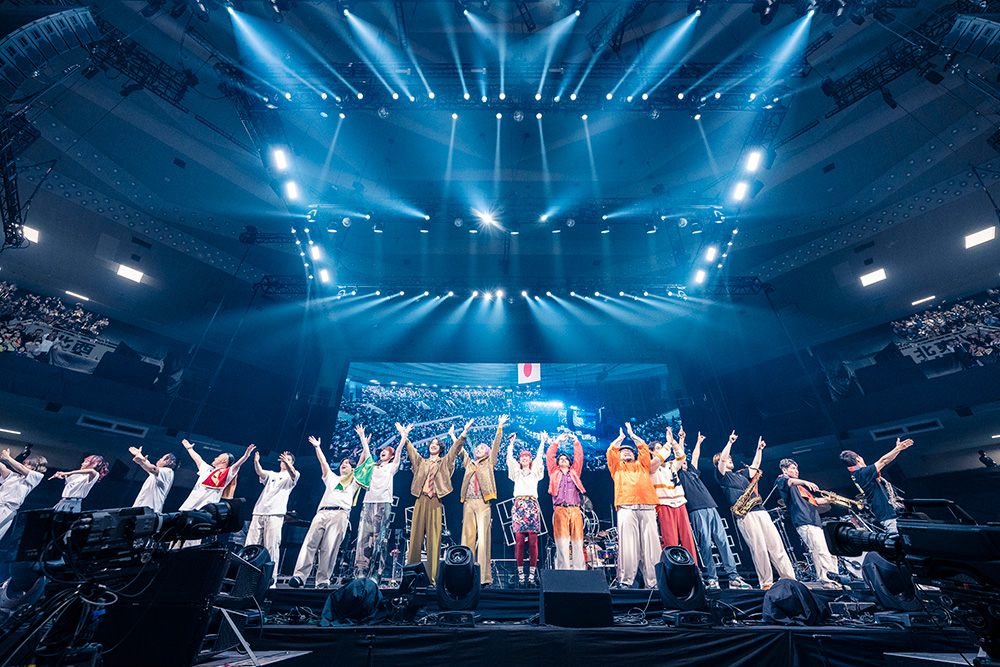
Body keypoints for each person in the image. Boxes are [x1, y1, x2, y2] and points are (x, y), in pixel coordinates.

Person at [714, 432, 795, 590]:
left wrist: (759, 450)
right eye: (728, 458)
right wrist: (729, 443)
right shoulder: (722, 476)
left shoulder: (741, 474)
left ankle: (790, 579)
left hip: (760, 510)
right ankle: (766, 582)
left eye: (731, 458)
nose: (730, 460)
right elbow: (722, 459)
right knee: (759, 549)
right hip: (745, 515)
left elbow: (755, 466)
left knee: (776, 545)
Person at [676, 432, 750, 590]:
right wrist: (681, 439)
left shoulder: (692, 472)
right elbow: (680, 455)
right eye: (682, 461)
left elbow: (695, 457)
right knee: (706, 545)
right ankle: (712, 578)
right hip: (697, 510)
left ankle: (733, 576)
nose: (685, 462)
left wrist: (698, 443)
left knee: (723, 542)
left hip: (711, 507)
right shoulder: (679, 474)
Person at [290, 432, 363, 588]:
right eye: (342, 463)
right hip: (322, 513)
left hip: (340, 514)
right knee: (309, 543)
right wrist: (318, 447)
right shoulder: (331, 477)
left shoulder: (354, 481)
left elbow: (362, 464)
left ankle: (323, 580)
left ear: (353, 468)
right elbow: (323, 463)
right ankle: (299, 576)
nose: (344, 464)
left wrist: (363, 441)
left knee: (329, 548)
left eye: (347, 463)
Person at [405, 420, 471, 584]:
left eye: (436, 444)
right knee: (415, 540)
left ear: (440, 448)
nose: (433, 445)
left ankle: (432, 578)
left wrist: (463, 433)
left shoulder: (445, 462)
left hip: (435, 501)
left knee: (434, 541)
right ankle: (410, 577)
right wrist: (404, 435)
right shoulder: (421, 462)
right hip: (420, 500)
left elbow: (455, 449)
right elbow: (411, 450)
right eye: (432, 443)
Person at [609, 423, 661, 589]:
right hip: (626, 506)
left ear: (634, 454)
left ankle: (653, 582)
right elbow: (611, 451)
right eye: (623, 451)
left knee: (652, 546)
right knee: (628, 546)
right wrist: (620, 438)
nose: (626, 452)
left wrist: (632, 435)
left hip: (647, 506)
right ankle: (626, 581)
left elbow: (644, 448)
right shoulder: (616, 467)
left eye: (629, 451)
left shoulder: (642, 465)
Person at [457, 415, 507, 587]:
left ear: (486, 453)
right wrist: (460, 433)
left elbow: (496, 447)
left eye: (482, 448)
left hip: (483, 503)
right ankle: (465, 574)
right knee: (467, 538)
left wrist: (499, 427)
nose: (478, 449)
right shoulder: (469, 463)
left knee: (484, 540)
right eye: (477, 448)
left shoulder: (489, 463)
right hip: (468, 502)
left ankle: (484, 577)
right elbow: (459, 450)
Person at [176, 439, 255, 546]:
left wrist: (245, 456)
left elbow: (236, 466)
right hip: (187, 508)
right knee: (176, 539)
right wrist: (189, 448)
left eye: (218, 457)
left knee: (190, 542)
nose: (215, 458)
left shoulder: (226, 474)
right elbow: (197, 458)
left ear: (224, 461)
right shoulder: (207, 469)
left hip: (202, 513)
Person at [775, 459, 839, 588]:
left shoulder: (801, 488)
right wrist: (805, 481)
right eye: (793, 468)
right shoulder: (782, 480)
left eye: (797, 468)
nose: (796, 471)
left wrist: (830, 500)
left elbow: (815, 500)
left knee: (829, 552)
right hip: (803, 520)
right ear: (785, 470)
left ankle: (836, 580)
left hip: (815, 521)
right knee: (820, 551)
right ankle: (827, 581)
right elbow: (790, 482)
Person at [353, 423, 402, 582]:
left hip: (383, 503)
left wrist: (403, 436)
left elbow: (399, 451)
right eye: (382, 451)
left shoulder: (392, 467)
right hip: (368, 503)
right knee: (363, 539)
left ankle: (376, 573)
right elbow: (367, 453)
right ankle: (361, 571)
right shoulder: (373, 467)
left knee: (380, 539)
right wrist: (362, 437)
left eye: (387, 451)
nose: (383, 452)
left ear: (391, 456)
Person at [840, 438, 913, 534]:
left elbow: (884, 461)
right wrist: (898, 448)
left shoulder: (856, 474)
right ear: (858, 459)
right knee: (901, 539)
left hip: (887, 514)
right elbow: (883, 461)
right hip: (888, 516)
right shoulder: (862, 473)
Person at [648, 427, 699, 563]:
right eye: (657, 449)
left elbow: (681, 456)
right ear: (651, 451)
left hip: (680, 503)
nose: (661, 450)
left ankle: (693, 567)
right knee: (670, 539)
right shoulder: (650, 466)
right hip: (664, 505)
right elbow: (661, 457)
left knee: (687, 538)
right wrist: (667, 443)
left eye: (661, 448)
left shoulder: (671, 465)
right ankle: (674, 568)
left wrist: (673, 442)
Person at [246, 450, 299, 572]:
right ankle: (245, 573)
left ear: (292, 463)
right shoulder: (272, 474)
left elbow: (293, 473)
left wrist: (287, 462)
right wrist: (256, 462)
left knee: (272, 546)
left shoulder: (293, 475)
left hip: (275, 513)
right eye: (283, 459)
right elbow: (260, 472)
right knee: (251, 544)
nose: (284, 461)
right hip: (259, 511)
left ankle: (271, 577)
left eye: (288, 459)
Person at [507, 432, 546, 584]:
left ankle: (531, 574)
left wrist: (542, 442)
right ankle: (521, 574)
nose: (524, 458)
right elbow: (510, 460)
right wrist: (511, 444)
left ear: (530, 459)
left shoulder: (535, 472)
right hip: (519, 506)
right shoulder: (516, 474)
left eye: (527, 456)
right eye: (522, 456)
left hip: (532, 505)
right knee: (519, 542)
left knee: (533, 542)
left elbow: (539, 457)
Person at [546, 431, 586, 570]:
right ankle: (563, 570)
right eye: (561, 459)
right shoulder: (554, 472)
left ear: (569, 463)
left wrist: (576, 441)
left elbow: (579, 457)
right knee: (562, 542)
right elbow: (549, 456)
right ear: (557, 463)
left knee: (577, 541)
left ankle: (579, 570)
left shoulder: (575, 472)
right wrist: (557, 441)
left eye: (566, 459)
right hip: (560, 509)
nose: (563, 460)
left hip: (575, 509)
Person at [0, 449, 47, 541]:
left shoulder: (36, 477)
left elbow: (20, 468)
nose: (24, 465)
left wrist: (8, 458)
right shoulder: (14, 476)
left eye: (28, 464)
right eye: (24, 463)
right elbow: (3, 468)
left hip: (6, 510)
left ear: (34, 466)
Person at [129, 447, 178, 513]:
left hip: (150, 511)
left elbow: (151, 468)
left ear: (167, 461)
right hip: (142, 510)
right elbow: (148, 466)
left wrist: (141, 460)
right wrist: (139, 455)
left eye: (162, 458)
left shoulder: (168, 472)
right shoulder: (157, 475)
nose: (159, 459)